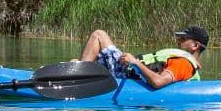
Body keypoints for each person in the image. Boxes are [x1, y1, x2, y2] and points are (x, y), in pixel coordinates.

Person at [77, 24, 208, 90]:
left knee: (99, 35)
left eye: (183, 39)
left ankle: (79, 81)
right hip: (127, 69)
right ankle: (81, 73)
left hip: (125, 73)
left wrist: (135, 62)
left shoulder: (183, 63)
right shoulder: (183, 60)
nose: (178, 42)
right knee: (76, 63)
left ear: (195, 45)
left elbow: (158, 82)